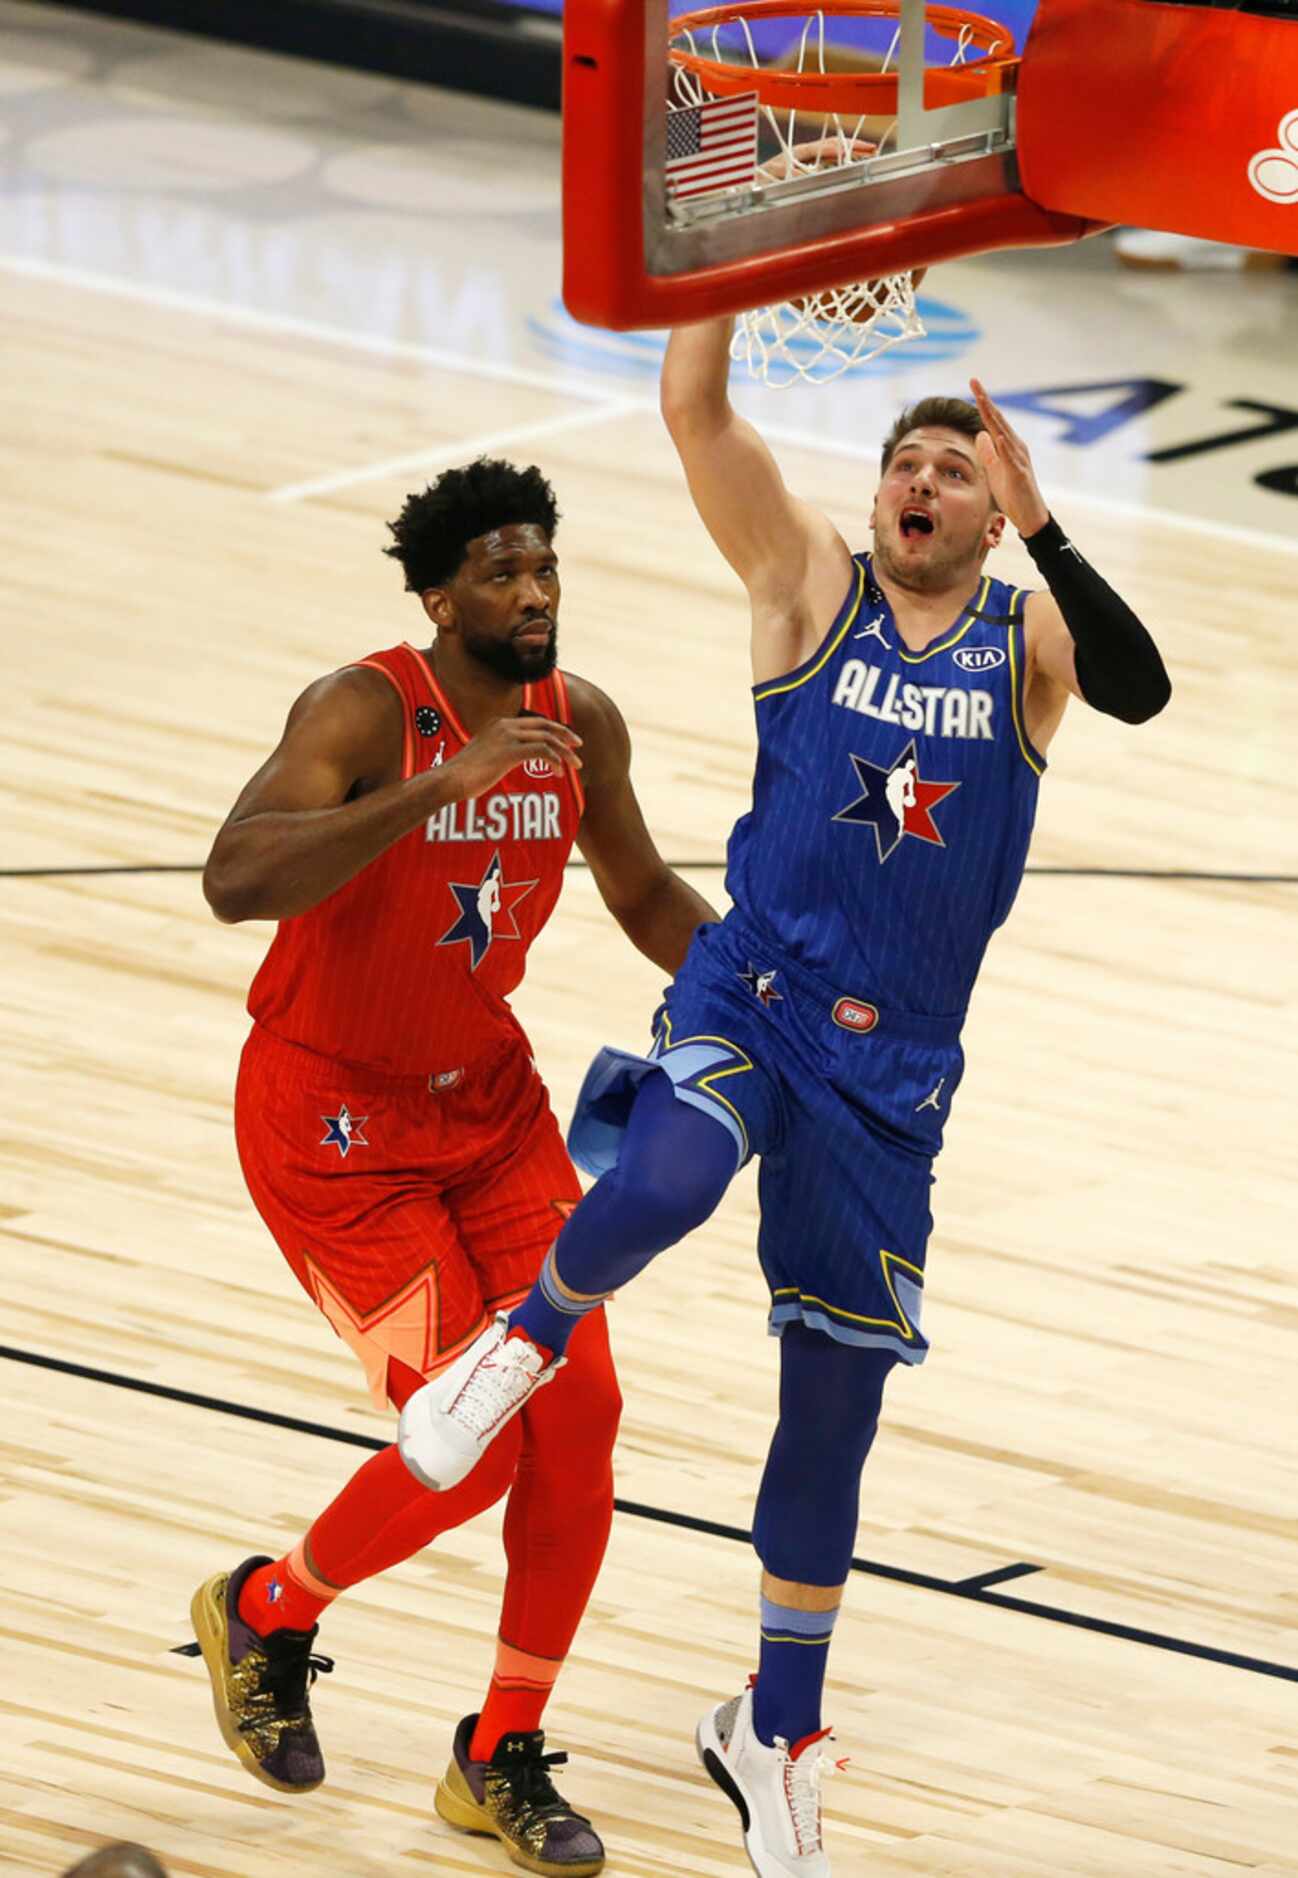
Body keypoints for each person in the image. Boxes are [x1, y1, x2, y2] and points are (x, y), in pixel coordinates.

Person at [397, 336, 1172, 1876]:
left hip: (892, 1083)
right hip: (752, 990)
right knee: (668, 1177)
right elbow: (694, 411)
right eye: (905, 461)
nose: (922, 481)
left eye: (955, 469)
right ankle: (519, 1341)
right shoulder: (809, 589)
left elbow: (1142, 690)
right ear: (874, 493)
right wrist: (724, 283)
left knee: (829, 1424)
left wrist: (1054, 524)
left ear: (991, 508)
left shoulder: (1028, 637)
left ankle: (775, 1725)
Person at [191, 457, 717, 1878]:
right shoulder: (362, 709)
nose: (535, 593)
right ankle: (271, 1604)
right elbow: (235, 876)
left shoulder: (575, 720)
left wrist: (774, 993)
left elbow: (645, 891)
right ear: (437, 597)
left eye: (544, 568)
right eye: (502, 572)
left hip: (487, 1113)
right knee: (468, 1436)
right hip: (333, 1126)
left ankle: (499, 1747)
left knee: (582, 1405)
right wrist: (433, 791)